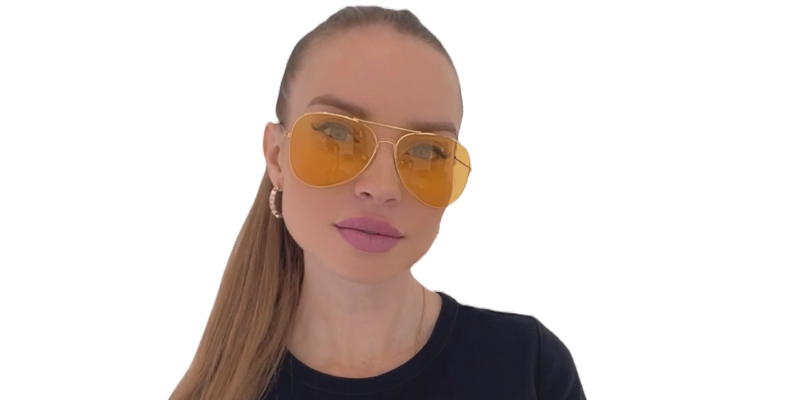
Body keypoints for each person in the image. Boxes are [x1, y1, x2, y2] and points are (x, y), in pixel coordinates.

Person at [169, 6, 585, 400]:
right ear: (277, 158)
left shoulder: (529, 369)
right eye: (337, 134)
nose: (382, 186)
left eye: (426, 151)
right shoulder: (218, 388)